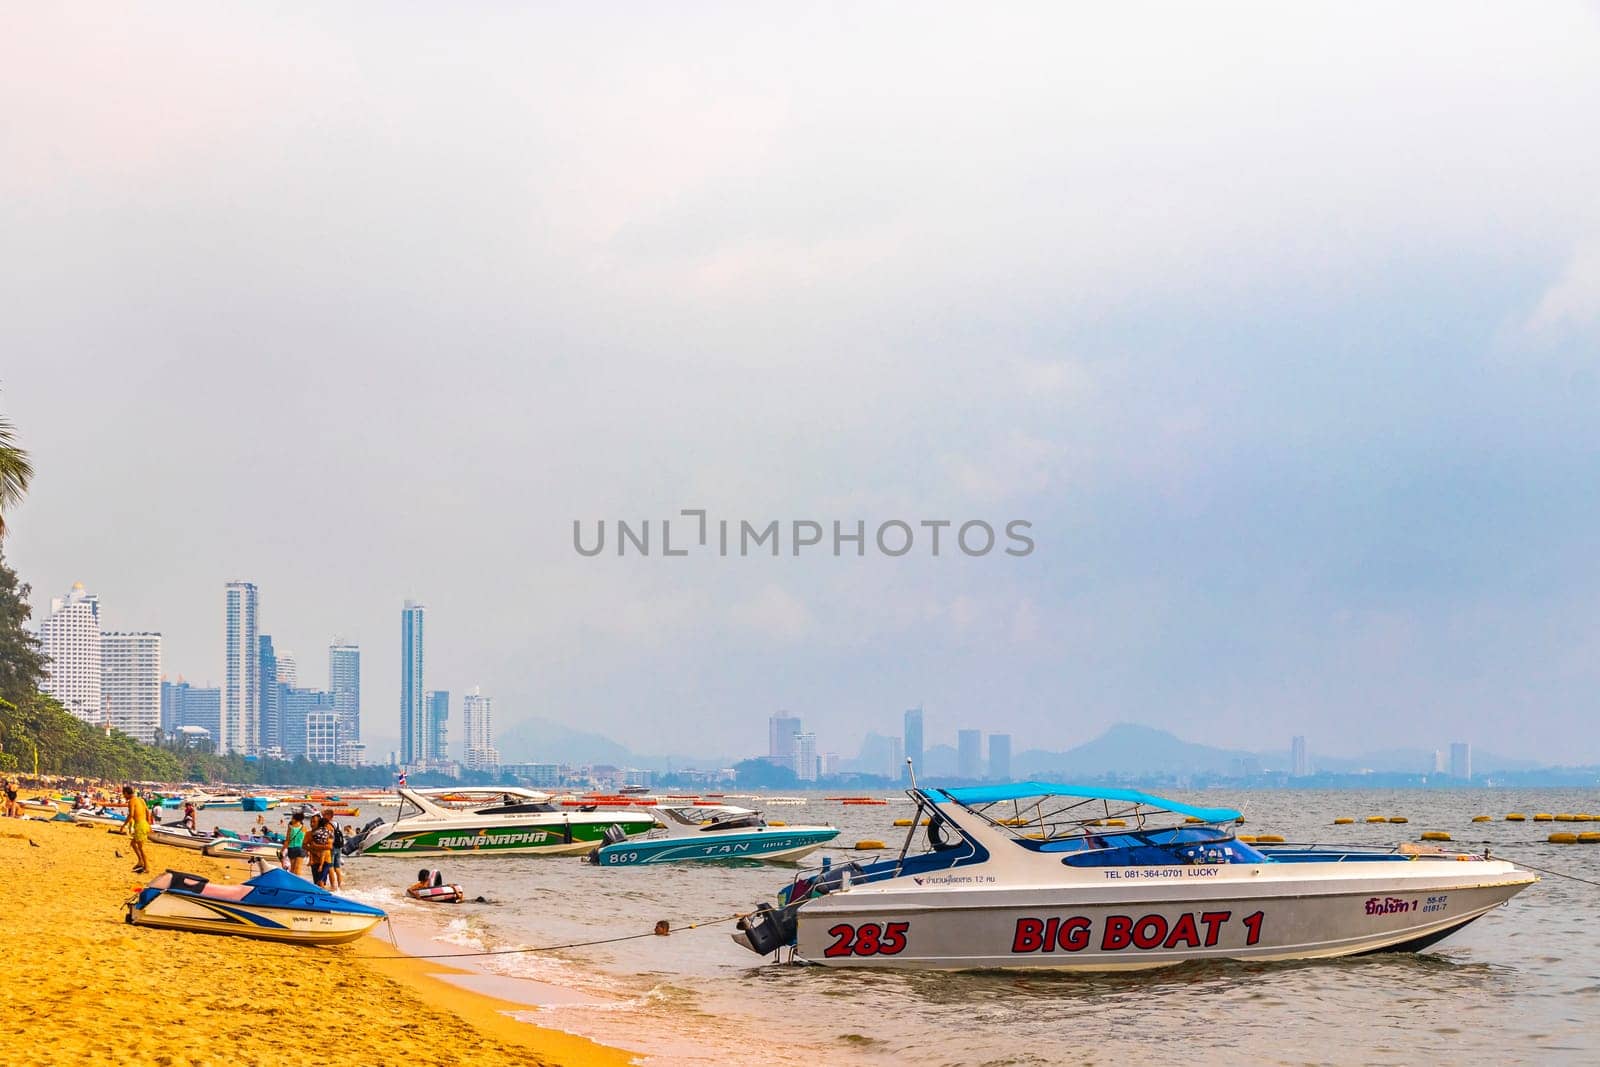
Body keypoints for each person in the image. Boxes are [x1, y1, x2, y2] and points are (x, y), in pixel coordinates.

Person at [122, 785, 150, 874]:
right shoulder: (141, 800)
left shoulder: (131, 802)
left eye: (124, 794)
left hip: (140, 825)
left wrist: (124, 825)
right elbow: (147, 811)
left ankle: (146, 866)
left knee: (141, 848)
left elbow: (131, 815)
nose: (124, 796)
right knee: (133, 844)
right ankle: (140, 861)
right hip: (144, 824)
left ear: (126, 793)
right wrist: (148, 824)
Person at [306, 814, 335, 887]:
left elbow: (330, 846)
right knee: (316, 883)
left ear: (319, 822)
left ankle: (327, 894)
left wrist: (316, 846)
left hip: (326, 860)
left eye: (314, 822)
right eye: (311, 822)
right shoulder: (308, 834)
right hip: (314, 862)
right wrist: (313, 850)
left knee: (321, 882)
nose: (312, 824)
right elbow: (304, 845)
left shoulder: (326, 832)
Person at [328, 822, 346, 890]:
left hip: (332, 847)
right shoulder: (338, 824)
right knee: (337, 868)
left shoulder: (329, 824)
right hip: (339, 847)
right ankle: (340, 885)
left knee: (330, 867)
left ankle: (333, 885)